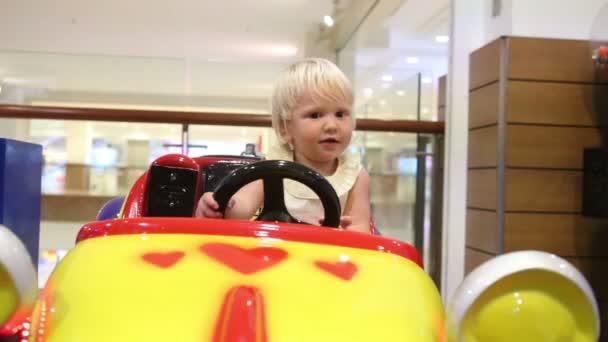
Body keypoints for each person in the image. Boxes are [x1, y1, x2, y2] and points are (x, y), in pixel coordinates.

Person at [195, 58, 371, 233]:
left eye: (341, 114)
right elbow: (238, 211)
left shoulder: (355, 175)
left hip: (329, 257)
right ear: (285, 127)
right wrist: (216, 207)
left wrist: (346, 230)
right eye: (316, 115)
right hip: (275, 254)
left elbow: (361, 228)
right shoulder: (271, 169)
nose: (332, 125)